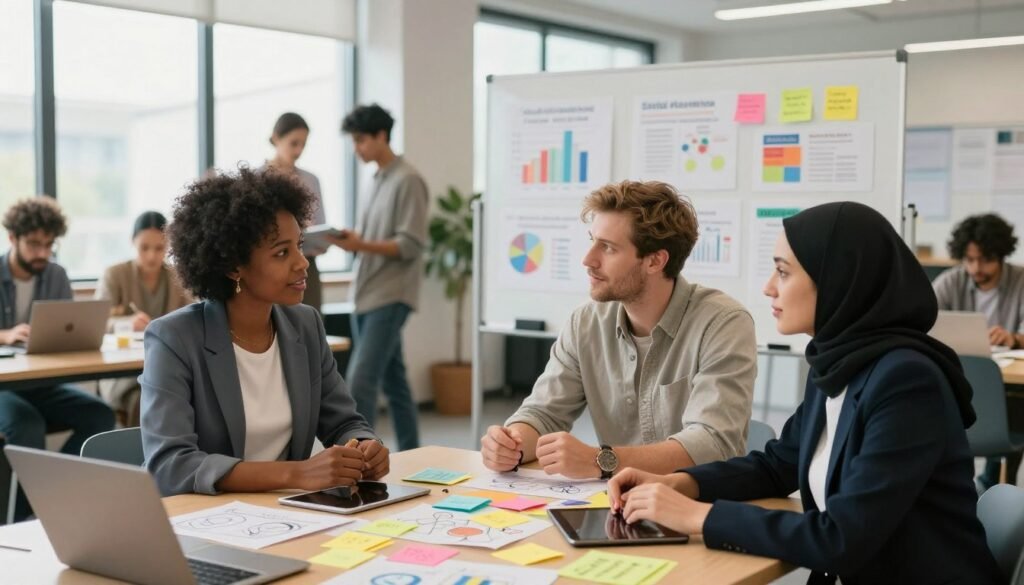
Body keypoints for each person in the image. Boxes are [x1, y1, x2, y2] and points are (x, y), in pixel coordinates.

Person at [608, 202, 1002, 585]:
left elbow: (842, 538)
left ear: (837, 279)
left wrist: (697, 517)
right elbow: (777, 464)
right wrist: (684, 483)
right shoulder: (839, 363)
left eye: (783, 272)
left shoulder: (906, 382)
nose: (768, 288)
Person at [481, 180, 756, 479]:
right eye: (592, 240)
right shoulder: (584, 323)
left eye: (608, 248)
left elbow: (713, 444)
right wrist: (512, 443)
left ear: (655, 261)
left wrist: (601, 460)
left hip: (698, 504)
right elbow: (543, 414)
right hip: (616, 505)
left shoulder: (724, 323)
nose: (588, 260)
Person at [140, 168, 389, 496]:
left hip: (290, 516)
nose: (302, 263)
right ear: (233, 266)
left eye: (299, 246)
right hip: (210, 521)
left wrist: (365, 447)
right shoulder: (174, 339)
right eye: (282, 253)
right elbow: (171, 464)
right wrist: (295, 474)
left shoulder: (306, 325)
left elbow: (344, 423)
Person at [0, 197, 115, 520]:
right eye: (34, 244)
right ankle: (21, 520)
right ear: (13, 238)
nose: (42, 253)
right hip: (3, 387)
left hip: (39, 382)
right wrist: (6, 335)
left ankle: (50, 495)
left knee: (100, 417)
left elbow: (68, 330)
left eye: (49, 244)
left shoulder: (56, 274)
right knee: (26, 424)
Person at [337, 103, 429, 452]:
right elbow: (374, 237)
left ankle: (360, 459)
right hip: (367, 292)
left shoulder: (409, 180)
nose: (356, 148)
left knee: (360, 382)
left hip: (391, 295)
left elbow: (410, 244)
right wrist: (354, 239)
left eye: (360, 140)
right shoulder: (376, 179)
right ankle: (414, 452)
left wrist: (361, 243)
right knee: (396, 384)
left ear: (381, 136)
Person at [933, 213, 1024, 490]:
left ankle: (994, 482)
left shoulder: (1020, 280)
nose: (976, 268)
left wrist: (1015, 338)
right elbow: (923, 319)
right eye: (969, 259)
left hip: (1007, 387)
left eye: (985, 260)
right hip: (960, 379)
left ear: (1001, 255)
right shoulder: (951, 281)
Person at [95, 211, 192, 426]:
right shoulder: (115, 275)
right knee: (143, 397)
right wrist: (126, 323)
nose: (151, 256)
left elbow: (194, 314)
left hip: (168, 366)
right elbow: (97, 322)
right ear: (132, 243)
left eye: (159, 248)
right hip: (123, 373)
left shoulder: (178, 276)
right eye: (144, 248)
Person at [261, 112, 329, 313]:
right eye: (294, 143)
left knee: (310, 326)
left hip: (307, 263)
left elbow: (321, 224)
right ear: (276, 139)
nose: (299, 150)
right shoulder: (257, 179)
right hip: (272, 265)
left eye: (304, 144)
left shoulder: (310, 180)